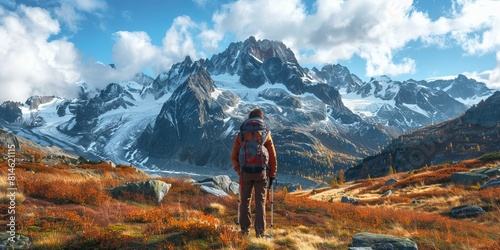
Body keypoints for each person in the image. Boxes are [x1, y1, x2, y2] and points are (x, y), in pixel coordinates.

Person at [231, 108, 277, 237]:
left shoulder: (242, 133)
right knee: (260, 202)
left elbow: (234, 155)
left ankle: (245, 232)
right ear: (261, 118)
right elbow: (272, 156)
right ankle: (260, 234)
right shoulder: (265, 133)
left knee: (245, 201)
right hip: (261, 173)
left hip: (245, 172)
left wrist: (239, 171)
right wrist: (272, 174)